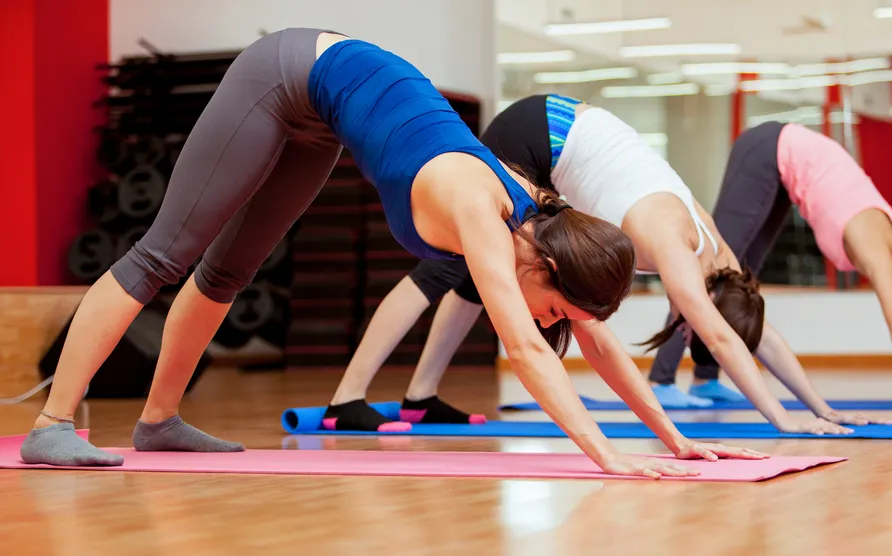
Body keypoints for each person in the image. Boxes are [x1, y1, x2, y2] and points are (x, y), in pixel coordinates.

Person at [20, 30, 763, 479]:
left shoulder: (543, 225)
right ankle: (53, 422)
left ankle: (159, 419)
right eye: (556, 310)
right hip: (285, 75)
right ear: (548, 271)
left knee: (228, 271)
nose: (552, 325)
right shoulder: (484, 211)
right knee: (165, 253)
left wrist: (676, 439)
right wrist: (606, 454)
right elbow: (526, 352)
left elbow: (594, 340)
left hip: (325, 116)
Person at [322, 94, 868, 433]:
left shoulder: (723, 263)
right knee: (449, 263)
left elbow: (751, 331)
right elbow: (723, 340)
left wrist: (822, 407)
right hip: (542, 133)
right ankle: (347, 397)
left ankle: (419, 397)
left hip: (568, 125)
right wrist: (783, 419)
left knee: (476, 271)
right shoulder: (679, 251)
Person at [649, 120, 892, 410]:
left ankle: (705, 378)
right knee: (710, 274)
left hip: (786, 173)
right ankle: (660, 381)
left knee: (741, 281)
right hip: (768, 149)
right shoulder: (878, 250)